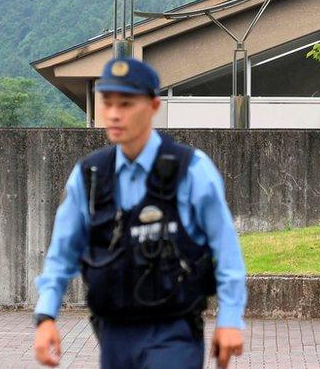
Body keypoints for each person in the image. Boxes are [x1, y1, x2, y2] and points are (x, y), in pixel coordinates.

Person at [32, 57, 247, 368]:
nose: (114, 114)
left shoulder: (191, 170)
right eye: (107, 103)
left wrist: (230, 319)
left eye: (127, 104)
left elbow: (226, 250)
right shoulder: (90, 176)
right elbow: (62, 252)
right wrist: (46, 316)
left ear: (153, 106)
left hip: (174, 330)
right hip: (113, 333)